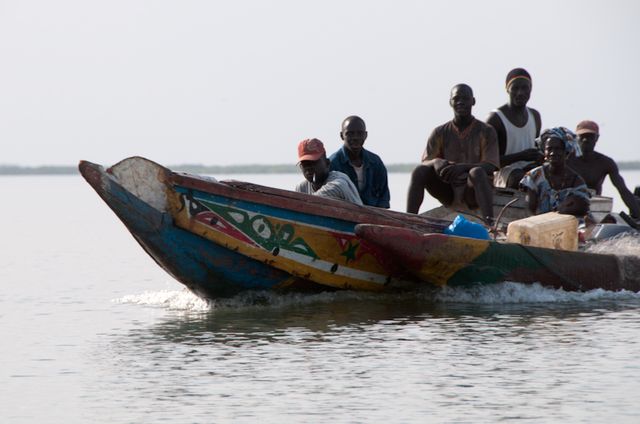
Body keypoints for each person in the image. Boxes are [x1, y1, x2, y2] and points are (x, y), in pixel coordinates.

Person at [406, 84, 499, 224]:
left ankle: (490, 223)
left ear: (473, 101)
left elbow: (491, 165)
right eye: (456, 99)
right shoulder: (439, 132)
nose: (460, 102)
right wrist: (436, 162)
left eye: (465, 98)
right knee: (419, 171)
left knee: (477, 172)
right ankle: (408, 220)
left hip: (473, 192)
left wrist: (462, 168)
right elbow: (426, 161)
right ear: (450, 102)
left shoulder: (486, 131)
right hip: (448, 191)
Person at [567, 120, 640, 219]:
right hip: (569, 209)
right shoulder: (567, 161)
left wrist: (637, 212)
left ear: (596, 138)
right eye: (582, 136)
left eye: (589, 136)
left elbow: (622, 190)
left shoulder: (605, 163)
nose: (585, 140)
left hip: (593, 210)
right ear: (576, 138)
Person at [486, 68, 543, 188]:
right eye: (515, 88)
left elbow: (536, 149)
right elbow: (488, 162)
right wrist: (520, 156)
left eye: (524, 88)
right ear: (507, 90)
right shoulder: (495, 118)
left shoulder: (535, 116)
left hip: (530, 171)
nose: (520, 93)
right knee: (521, 177)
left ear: (530, 90)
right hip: (505, 175)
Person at [520, 128, 590, 217]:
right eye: (549, 149)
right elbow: (530, 209)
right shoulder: (534, 176)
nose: (553, 153)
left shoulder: (576, 181)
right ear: (544, 152)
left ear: (566, 152)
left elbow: (581, 209)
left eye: (558, 149)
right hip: (539, 225)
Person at [329, 116, 390, 208]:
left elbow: (384, 198)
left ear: (365, 135)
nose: (355, 137)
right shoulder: (333, 163)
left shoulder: (376, 162)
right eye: (350, 134)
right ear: (342, 135)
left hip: (375, 217)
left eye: (360, 133)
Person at [295, 138, 363, 205]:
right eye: (305, 164)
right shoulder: (301, 188)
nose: (309, 168)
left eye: (314, 162)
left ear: (327, 163)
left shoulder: (338, 183)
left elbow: (309, 203)